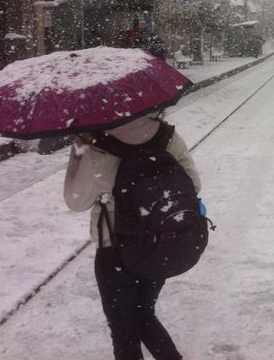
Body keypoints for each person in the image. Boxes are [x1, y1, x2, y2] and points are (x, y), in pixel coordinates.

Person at [64, 114, 201, 360]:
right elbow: (194, 185)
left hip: (115, 251)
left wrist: (78, 151)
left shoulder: (94, 146)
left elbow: (76, 201)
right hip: (159, 244)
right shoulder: (166, 136)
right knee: (144, 313)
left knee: (123, 329)